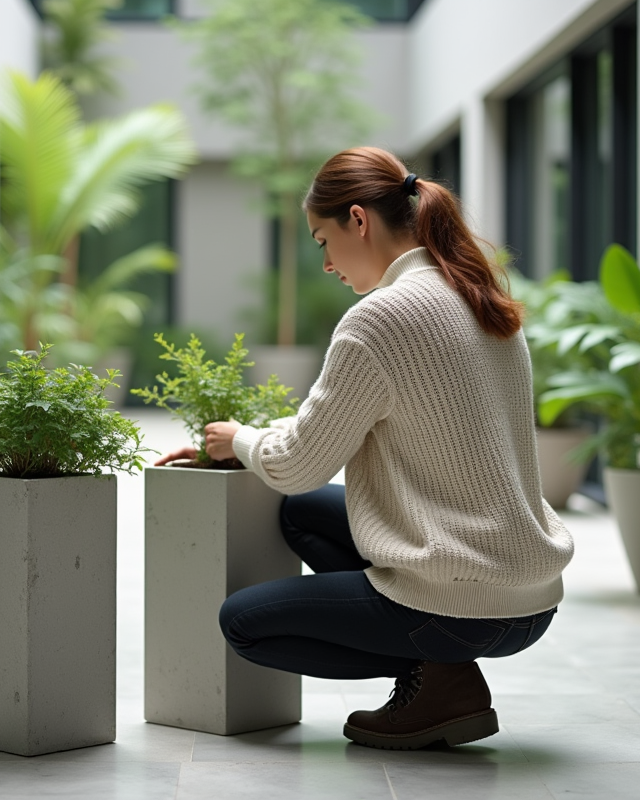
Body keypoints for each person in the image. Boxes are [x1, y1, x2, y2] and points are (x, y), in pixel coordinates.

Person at [155, 146, 574, 750]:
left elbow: (296, 465)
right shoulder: (478, 295)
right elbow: (342, 425)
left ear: (358, 220)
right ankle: (442, 677)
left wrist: (238, 439)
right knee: (306, 515)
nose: (324, 263)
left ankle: (440, 676)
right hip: (530, 597)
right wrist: (251, 435)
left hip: (458, 605)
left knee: (243, 624)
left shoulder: (379, 318)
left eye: (322, 241)